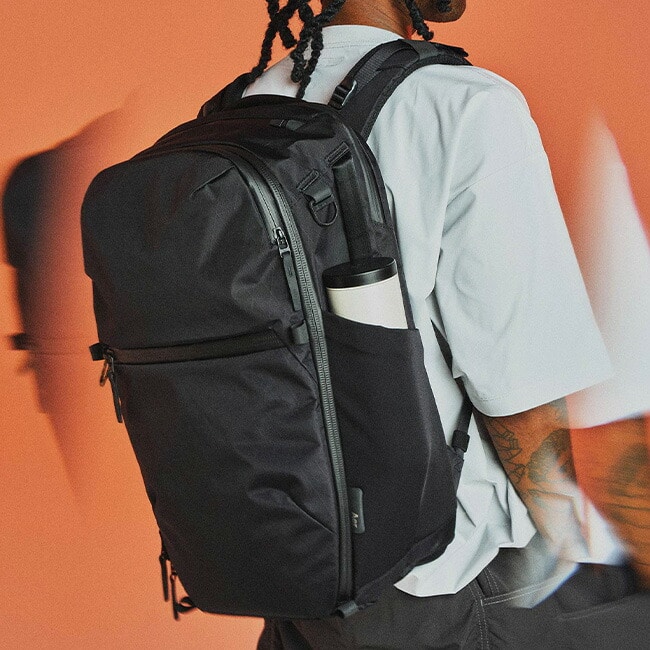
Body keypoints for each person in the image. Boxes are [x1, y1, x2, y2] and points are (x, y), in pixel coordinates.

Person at [243, 1, 649, 647]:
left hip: (301, 581)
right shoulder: (463, 106)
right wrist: (583, 545)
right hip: (452, 589)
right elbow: (523, 404)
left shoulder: (240, 109)